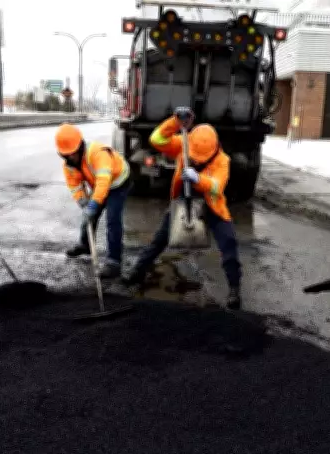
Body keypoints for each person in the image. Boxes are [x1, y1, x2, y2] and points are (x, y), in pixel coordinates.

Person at [121, 107, 243, 310]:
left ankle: (234, 289)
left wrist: (198, 178)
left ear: (214, 149)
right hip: (184, 201)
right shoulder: (184, 143)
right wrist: (176, 122)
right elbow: (157, 139)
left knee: (228, 242)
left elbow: (216, 186)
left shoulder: (223, 161)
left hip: (211, 204)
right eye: (194, 157)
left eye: (199, 159)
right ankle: (137, 272)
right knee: (160, 238)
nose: (195, 160)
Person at [56, 123, 131, 279]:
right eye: (66, 155)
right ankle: (86, 245)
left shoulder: (97, 153)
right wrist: (83, 202)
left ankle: (114, 262)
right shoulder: (69, 164)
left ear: (80, 146)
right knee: (88, 217)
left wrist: (94, 203)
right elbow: (74, 185)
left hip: (118, 183)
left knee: (112, 220)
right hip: (99, 185)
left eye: (72, 153)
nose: (70, 157)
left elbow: (104, 181)